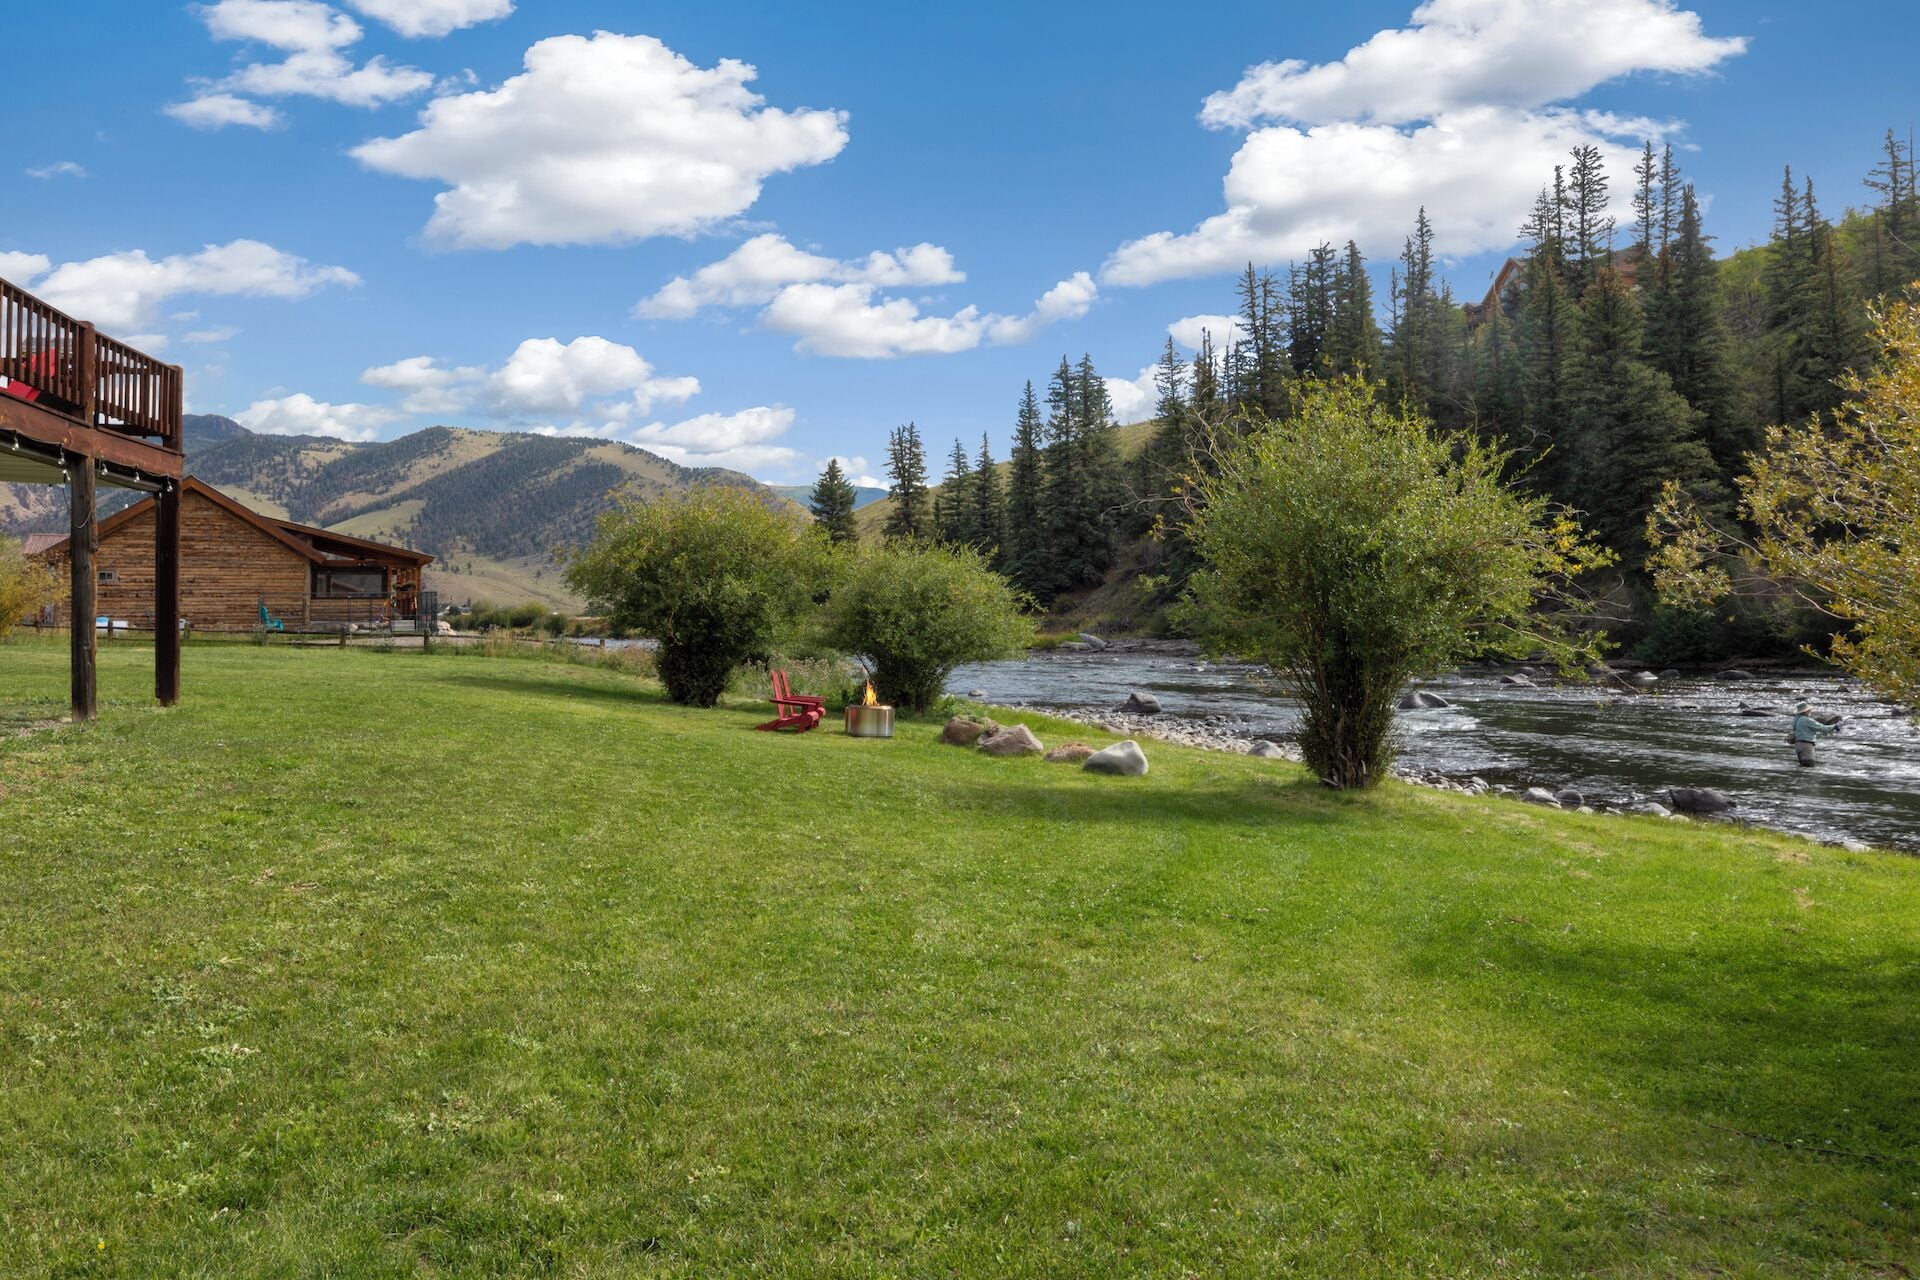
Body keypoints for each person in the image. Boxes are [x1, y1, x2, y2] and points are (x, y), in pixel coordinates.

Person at [1789, 700, 1840, 767]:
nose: (1810, 711)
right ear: (1805, 711)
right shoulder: (1806, 720)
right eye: (1809, 710)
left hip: (1798, 746)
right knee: (1809, 766)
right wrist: (1834, 727)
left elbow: (1805, 734)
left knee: (1803, 767)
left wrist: (1823, 734)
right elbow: (1822, 728)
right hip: (1806, 746)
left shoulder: (1796, 720)